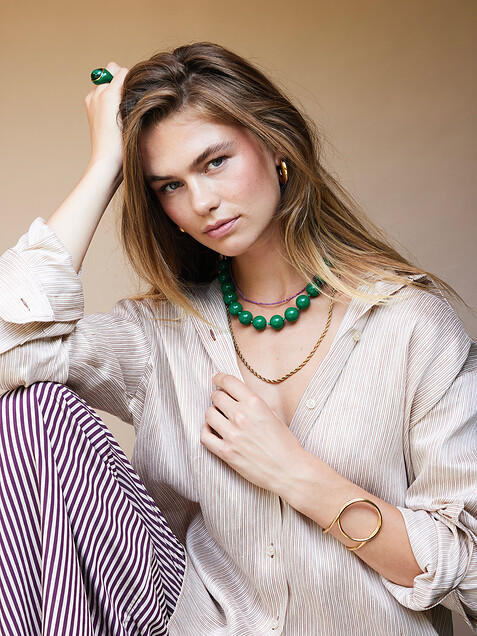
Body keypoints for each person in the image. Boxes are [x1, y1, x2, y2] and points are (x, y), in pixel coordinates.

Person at [0, 42, 475, 636]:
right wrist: (104, 167)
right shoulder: (158, 335)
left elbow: (470, 568)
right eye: (168, 186)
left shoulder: (410, 324)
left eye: (215, 162)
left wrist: (294, 473)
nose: (200, 202)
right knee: (25, 412)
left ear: (276, 144)